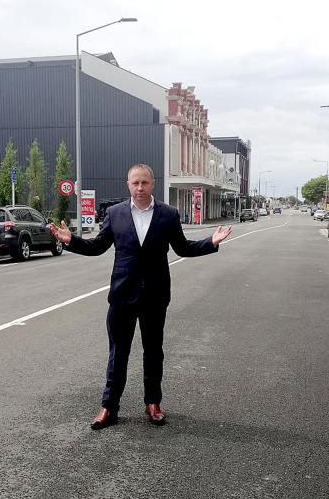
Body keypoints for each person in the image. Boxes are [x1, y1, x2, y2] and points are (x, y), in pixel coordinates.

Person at [48, 164, 232, 430]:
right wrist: (71, 240)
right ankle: (109, 406)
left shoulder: (168, 215)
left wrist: (210, 242)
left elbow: (183, 248)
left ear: (152, 183)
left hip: (155, 296)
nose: (140, 188)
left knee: (153, 352)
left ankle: (153, 403)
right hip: (122, 295)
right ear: (128, 184)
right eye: (135, 183)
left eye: (144, 182)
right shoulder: (115, 213)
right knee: (118, 353)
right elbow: (98, 246)